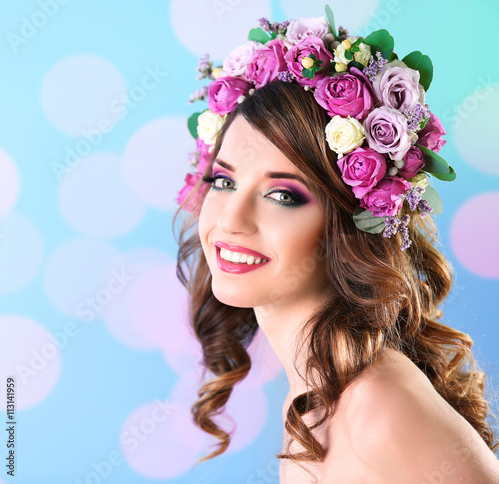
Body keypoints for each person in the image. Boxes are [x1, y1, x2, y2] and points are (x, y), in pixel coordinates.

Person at [175, 8, 499, 483]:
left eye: (282, 195)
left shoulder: (377, 403)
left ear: (349, 222)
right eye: (223, 182)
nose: (230, 219)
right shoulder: (315, 393)